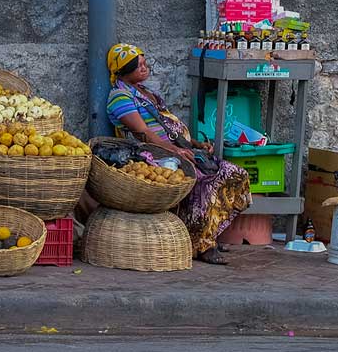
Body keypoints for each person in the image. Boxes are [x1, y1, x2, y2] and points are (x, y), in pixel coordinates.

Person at [106, 44, 252, 264]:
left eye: (145, 63)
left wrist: (195, 144)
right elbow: (143, 133)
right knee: (205, 183)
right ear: (124, 71)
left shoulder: (146, 92)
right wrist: (177, 151)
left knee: (236, 175)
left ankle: (207, 232)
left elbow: (170, 127)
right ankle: (202, 244)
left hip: (179, 150)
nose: (145, 69)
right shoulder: (120, 97)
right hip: (154, 156)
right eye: (139, 66)